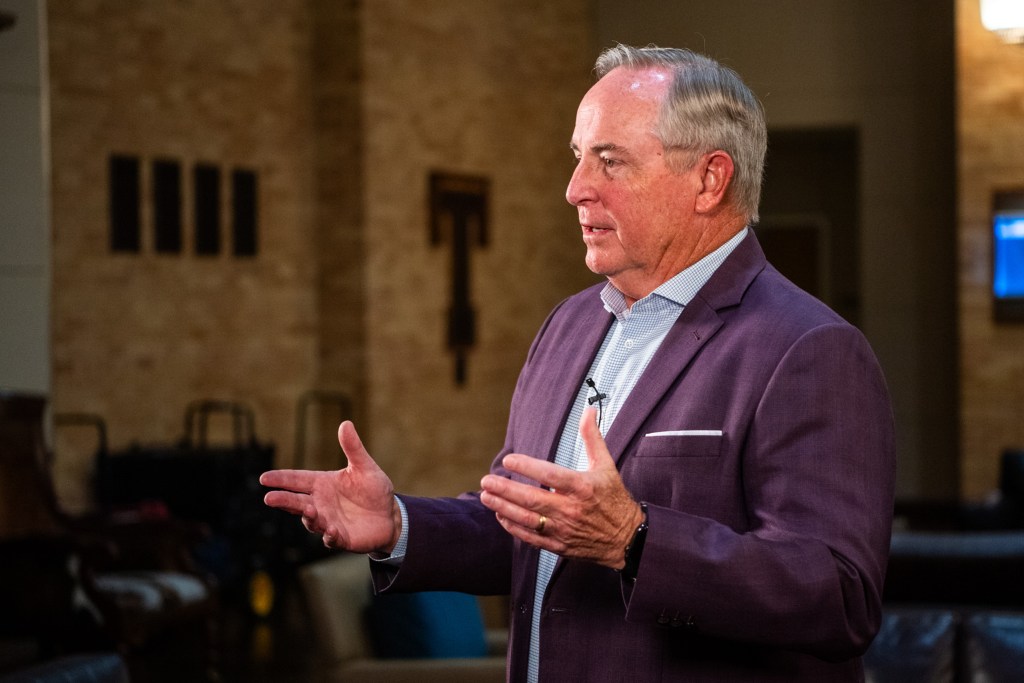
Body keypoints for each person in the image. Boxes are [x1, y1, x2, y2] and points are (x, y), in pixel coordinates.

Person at [261, 44, 896, 682]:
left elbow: (838, 597)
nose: (575, 190)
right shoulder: (568, 325)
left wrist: (637, 541)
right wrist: (400, 523)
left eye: (609, 161)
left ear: (710, 180)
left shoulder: (807, 347)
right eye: (578, 158)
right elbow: (529, 528)